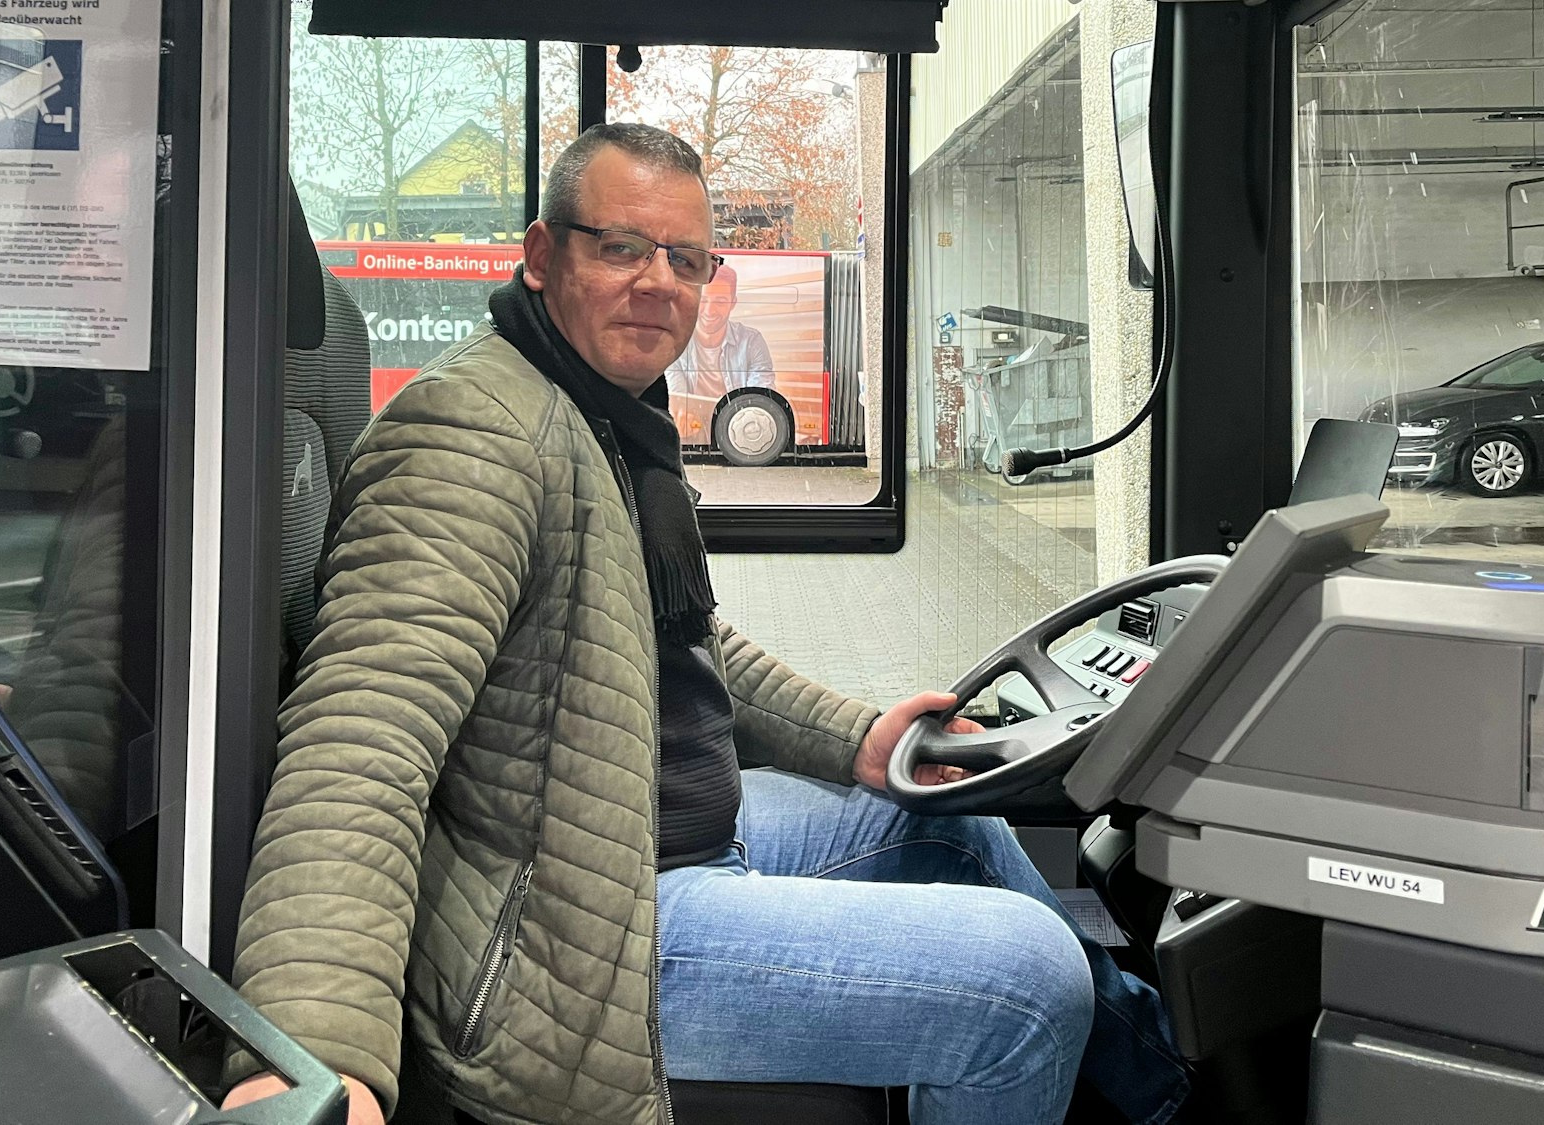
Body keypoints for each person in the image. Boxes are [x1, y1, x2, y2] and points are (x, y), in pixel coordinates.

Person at [221, 123, 1191, 1125]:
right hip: (566, 942)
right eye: (619, 247)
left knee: (955, 819)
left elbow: (686, 640)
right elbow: (360, 745)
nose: (658, 283)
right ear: (543, 256)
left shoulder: (603, 416)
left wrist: (857, 738)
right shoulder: (472, 439)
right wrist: (316, 1056)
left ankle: (1165, 1098)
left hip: (648, 842)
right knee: (1025, 985)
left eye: (685, 259)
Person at [664, 261, 774, 401]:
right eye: (704, 300)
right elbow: (676, 402)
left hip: (737, 421)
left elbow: (760, 399)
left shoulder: (751, 342)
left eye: (720, 301)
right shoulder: (676, 341)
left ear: (732, 304)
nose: (710, 311)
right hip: (690, 421)